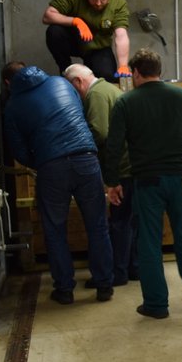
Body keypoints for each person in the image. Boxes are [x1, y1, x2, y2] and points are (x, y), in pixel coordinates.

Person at [104, 49, 182, 319]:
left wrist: (112, 183)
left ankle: (156, 304)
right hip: (181, 180)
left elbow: (113, 146)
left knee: (148, 242)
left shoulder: (126, 103)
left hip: (146, 182)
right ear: (159, 70)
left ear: (136, 72)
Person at [2, 62, 114, 304]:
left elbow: (18, 150)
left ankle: (64, 290)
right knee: (97, 226)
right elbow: (79, 116)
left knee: (55, 230)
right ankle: (104, 285)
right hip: (87, 158)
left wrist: (42, 159)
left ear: (8, 84)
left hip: (51, 167)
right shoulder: (62, 83)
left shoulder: (12, 107)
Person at [63, 63, 138, 285]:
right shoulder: (110, 89)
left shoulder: (95, 95)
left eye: (73, 89)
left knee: (119, 221)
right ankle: (133, 268)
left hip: (121, 167)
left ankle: (118, 272)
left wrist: (77, 150)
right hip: (131, 164)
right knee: (130, 221)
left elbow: (100, 132)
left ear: (78, 82)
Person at [43, 0, 130, 81]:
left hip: (98, 46)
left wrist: (123, 65)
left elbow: (121, 35)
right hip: (74, 40)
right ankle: (65, 70)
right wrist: (75, 21)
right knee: (54, 31)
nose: (98, 3)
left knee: (107, 78)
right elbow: (48, 16)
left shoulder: (118, 3)